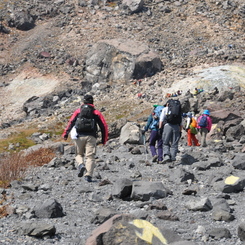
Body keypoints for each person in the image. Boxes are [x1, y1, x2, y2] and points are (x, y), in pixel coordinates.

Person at [62, 95, 108, 182]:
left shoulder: (78, 111)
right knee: (90, 157)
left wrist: (65, 134)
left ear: (83, 102)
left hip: (79, 136)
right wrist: (104, 140)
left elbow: (71, 122)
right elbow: (104, 126)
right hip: (91, 137)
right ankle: (88, 176)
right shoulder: (96, 112)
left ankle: (81, 165)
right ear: (92, 102)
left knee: (78, 154)